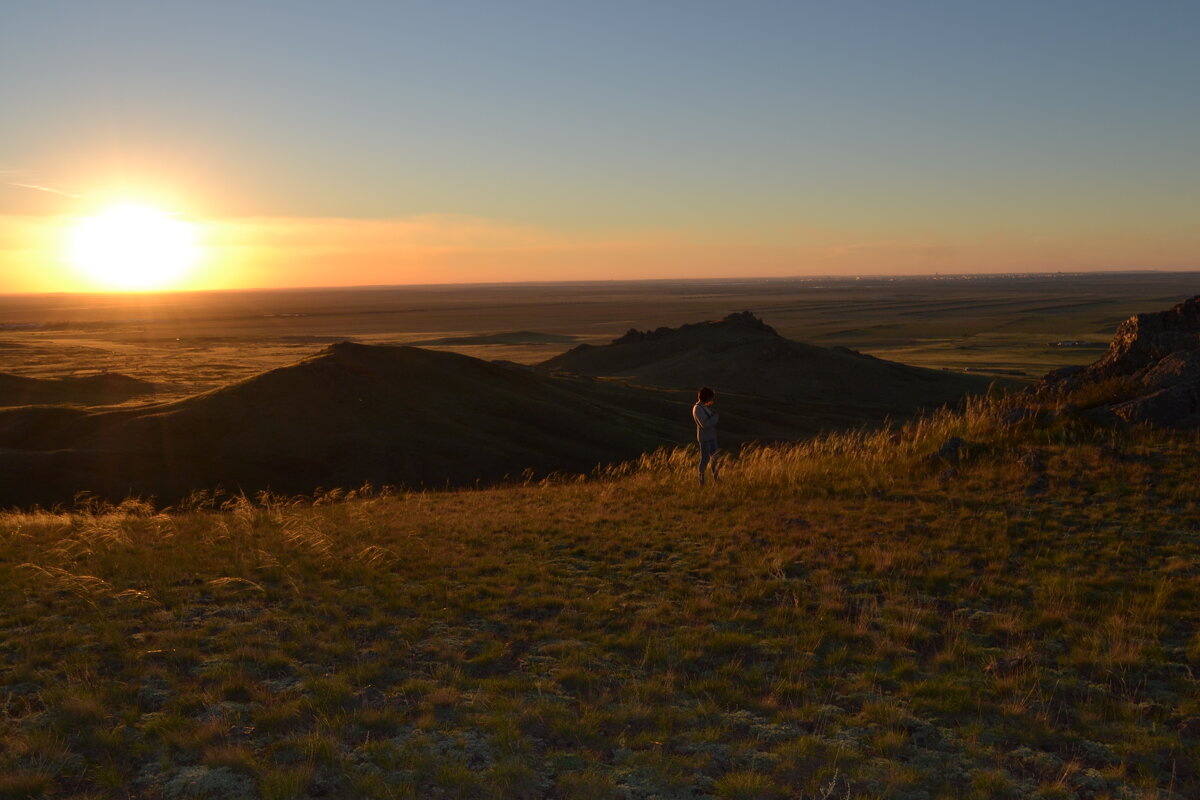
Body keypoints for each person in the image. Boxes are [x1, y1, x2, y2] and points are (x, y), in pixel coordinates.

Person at [693, 386, 720, 485]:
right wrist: (715, 418)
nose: (712, 400)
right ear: (706, 397)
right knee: (705, 459)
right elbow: (704, 424)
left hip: (711, 436)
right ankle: (701, 482)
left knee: (715, 458)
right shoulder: (697, 408)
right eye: (711, 397)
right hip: (705, 438)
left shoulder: (703, 407)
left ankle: (716, 479)